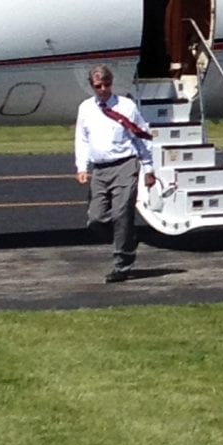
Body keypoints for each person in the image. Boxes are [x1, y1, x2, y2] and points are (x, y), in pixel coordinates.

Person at [75, 65, 157, 283]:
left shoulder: (126, 106)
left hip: (125, 165)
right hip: (100, 169)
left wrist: (149, 169)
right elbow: (82, 139)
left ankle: (122, 264)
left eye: (106, 85)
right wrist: (81, 167)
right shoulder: (86, 108)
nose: (103, 89)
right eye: (98, 86)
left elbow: (142, 136)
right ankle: (127, 239)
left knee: (122, 213)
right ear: (92, 86)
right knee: (96, 219)